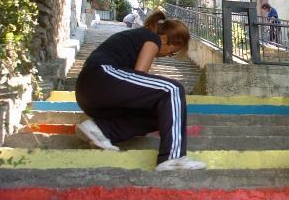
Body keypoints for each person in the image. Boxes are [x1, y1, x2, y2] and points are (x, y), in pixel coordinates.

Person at [75, 10, 207, 171]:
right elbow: (139, 76)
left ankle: (101, 129)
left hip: (92, 94)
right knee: (173, 89)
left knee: (162, 112)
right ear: (166, 39)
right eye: (171, 52)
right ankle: (174, 157)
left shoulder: (138, 38)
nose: (167, 56)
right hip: (101, 76)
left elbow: (135, 86)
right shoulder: (152, 39)